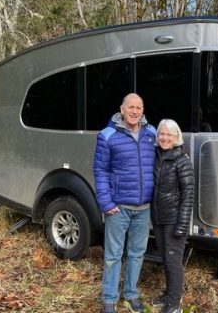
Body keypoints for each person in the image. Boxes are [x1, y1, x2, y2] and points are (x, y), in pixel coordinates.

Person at [93, 93, 156, 313]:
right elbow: (100, 170)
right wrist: (106, 202)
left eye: (138, 108)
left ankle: (131, 294)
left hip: (144, 207)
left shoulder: (151, 133)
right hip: (118, 207)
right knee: (113, 256)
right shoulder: (107, 135)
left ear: (143, 110)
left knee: (137, 253)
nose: (134, 111)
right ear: (122, 109)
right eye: (131, 107)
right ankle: (109, 299)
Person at [151, 119, 195, 313]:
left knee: (173, 261)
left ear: (176, 137)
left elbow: (188, 194)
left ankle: (174, 304)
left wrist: (182, 224)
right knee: (165, 259)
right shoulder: (158, 156)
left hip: (174, 220)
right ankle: (169, 295)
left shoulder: (182, 160)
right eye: (161, 134)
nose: (164, 138)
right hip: (159, 218)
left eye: (169, 134)